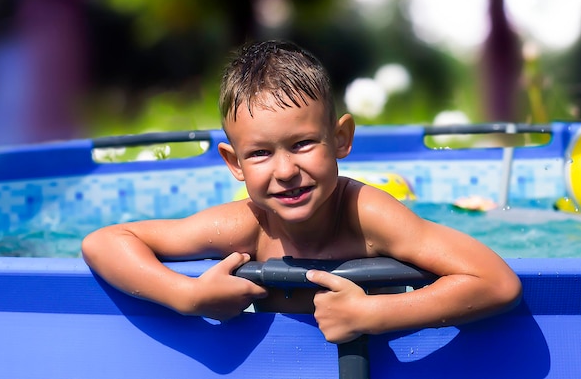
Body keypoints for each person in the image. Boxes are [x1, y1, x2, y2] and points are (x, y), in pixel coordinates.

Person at [82, 40, 522, 344]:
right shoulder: (246, 225)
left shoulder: (368, 216)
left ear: (341, 139)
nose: (285, 170)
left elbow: (497, 283)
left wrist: (376, 315)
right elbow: (103, 241)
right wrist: (187, 296)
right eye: (258, 154)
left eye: (302, 144)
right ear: (234, 163)